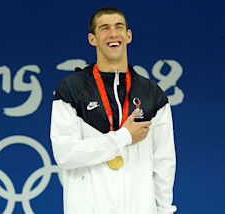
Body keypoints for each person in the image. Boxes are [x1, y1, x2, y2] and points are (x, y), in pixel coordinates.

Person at [50, 7, 177, 214]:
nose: (113, 34)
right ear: (92, 39)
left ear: (128, 35)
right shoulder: (71, 90)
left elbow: (164, 162)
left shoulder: (152, 93)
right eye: (104, 28)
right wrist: (123, 137)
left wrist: (165, 211)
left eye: (119, 27)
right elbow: (66, 154)